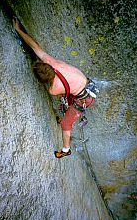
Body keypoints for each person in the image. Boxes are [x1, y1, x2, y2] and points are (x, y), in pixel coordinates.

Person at [13, 17, 97, 158]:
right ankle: (66, 117)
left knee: (66, 125)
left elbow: (34, 48)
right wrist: (19, 29)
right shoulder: (51, 62)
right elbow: (34, 46)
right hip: (88, 86)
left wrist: (17, 29)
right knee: (69, 100)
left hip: (85, 98)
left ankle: (65, 150)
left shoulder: (53, 89)